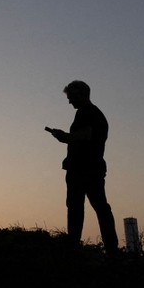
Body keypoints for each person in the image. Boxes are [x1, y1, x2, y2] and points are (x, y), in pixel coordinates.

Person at [46, 80, 118, 254]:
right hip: (86, 167)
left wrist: (64, 137)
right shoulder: (90, 113)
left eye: (71, 97)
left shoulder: (89, 113)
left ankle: (81, 248)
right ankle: (108, 249)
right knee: (90, 207)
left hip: (85, 168)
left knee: (87, 208)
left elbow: (85, 136)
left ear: (82, 94)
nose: (69, 101)